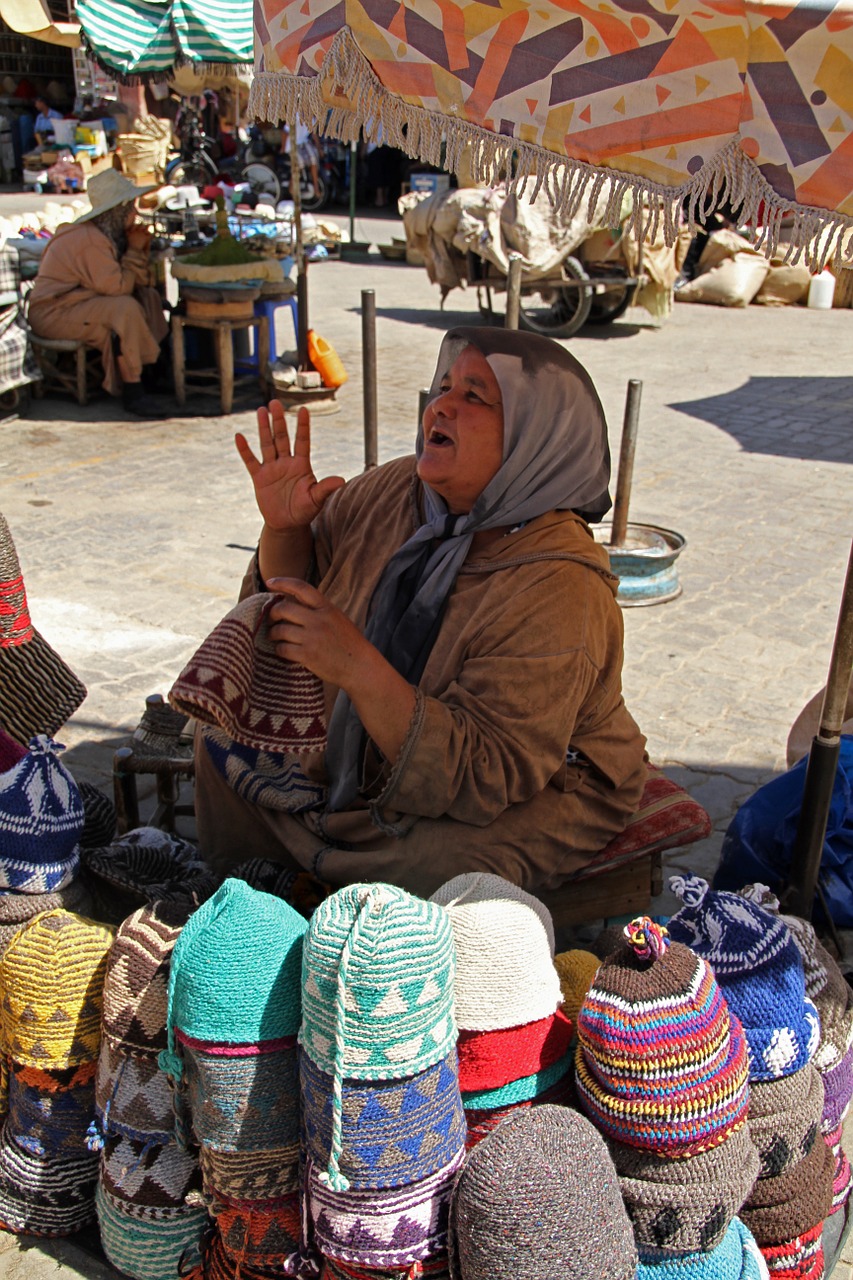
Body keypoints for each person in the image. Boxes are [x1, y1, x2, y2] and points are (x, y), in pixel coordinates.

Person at [193, 327, 647, 896]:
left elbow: (488, 772)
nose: (441, 406)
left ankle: (333, 895)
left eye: (474, 397)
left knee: (439, 865)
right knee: (218, 748)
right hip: (366, 756)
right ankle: (269, 896)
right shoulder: (394, 491)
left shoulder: (561, 585)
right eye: (444, 386)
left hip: (542, 786)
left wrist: (358, 668)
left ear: (535, 438)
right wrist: (284, 530)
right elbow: (290, 604)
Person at [27, 169, 170, 418]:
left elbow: (135, 282)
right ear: (117, 211)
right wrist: (135, 251)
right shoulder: (89, 239)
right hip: (53, 313)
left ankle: (153, 369)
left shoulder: (102, 235)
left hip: (79, 304)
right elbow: (117, 287)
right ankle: (133, 389)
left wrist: (139, 250)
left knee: (149, 298)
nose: (135, 215)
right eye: (131, 209)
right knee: (124, 309)